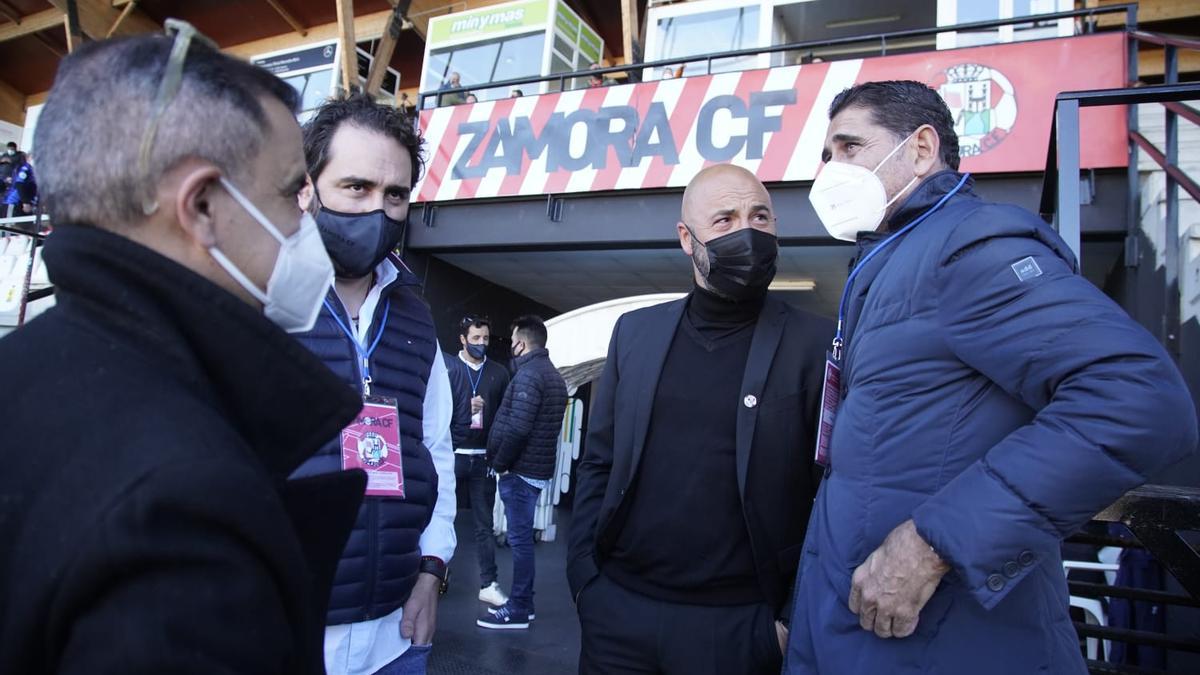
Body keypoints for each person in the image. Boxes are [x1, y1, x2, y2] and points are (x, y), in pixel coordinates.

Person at [786, 80, 1198, 674]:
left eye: (849, 147)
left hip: (948, 639)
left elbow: (1138, 400)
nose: (831, 169)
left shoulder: (967, 247)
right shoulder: (891, 260)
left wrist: (936, 541)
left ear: (922, 147)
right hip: (865, 630)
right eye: (826, 156)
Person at [0, 25, 367, 674]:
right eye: (289, 193)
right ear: (200, 204)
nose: (304, 226)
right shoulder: (183, 506)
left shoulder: (23, 369)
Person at [568, 164, 833, 673]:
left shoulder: (815, 345)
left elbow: (831, 492)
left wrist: (784, 621)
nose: (748, 233)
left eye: (760, 216)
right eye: (725, 220)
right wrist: (585, 579)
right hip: (617, 614)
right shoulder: (635, 334)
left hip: (739, 630)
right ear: (687, 240)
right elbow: (598, 461)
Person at [292, 93, 457, 675]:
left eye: (395, 195)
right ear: (308, 189)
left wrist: (432, 571)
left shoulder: (416, 314)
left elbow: (434, 449)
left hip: (395, 639)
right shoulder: (250, 299)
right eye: (355, 187)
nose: (377, 211)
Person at [477, 315, 568, 630]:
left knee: (520, 542)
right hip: (535, 470)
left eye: (512, 340)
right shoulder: (552, 375)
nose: (510, 346)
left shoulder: (530, 376)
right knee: (522, 540)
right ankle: (523, 605)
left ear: (522, 343)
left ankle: (518, 608)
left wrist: (499, 463)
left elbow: (518, 429)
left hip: (520, 472)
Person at [444, 315, 512, 606]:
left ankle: (488, 583)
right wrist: (463, 411)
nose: (482, 344)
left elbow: (505, 416)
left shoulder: (498, 373)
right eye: (475, 339)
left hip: (483, 458)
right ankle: (432, 577)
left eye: (485, 339)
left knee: (484, 525)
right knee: (441, 517)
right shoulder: (447, 368)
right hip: (451, 454)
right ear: (462, 339)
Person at [3, 150, 36, 217]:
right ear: (28, 158)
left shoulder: (34, 170)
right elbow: (19, 184)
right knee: (9, 225)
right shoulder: (25, 169)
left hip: (25, 204)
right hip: (14, 203)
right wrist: (26, 202)